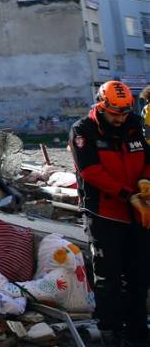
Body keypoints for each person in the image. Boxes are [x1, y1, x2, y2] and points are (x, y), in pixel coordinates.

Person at [70, 80, 150, 346]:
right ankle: (110, 331)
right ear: (101, 106)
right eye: (115, 114)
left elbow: (147, 159)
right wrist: (129, 194)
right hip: (104, 214)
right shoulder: (84, 130)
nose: (120, 119)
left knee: (139, 275)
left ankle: (138, 331)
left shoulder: (134, 124)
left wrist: (145, 183)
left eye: (124, 113)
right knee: (109, 277)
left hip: (137, 215)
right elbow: (90, 172)